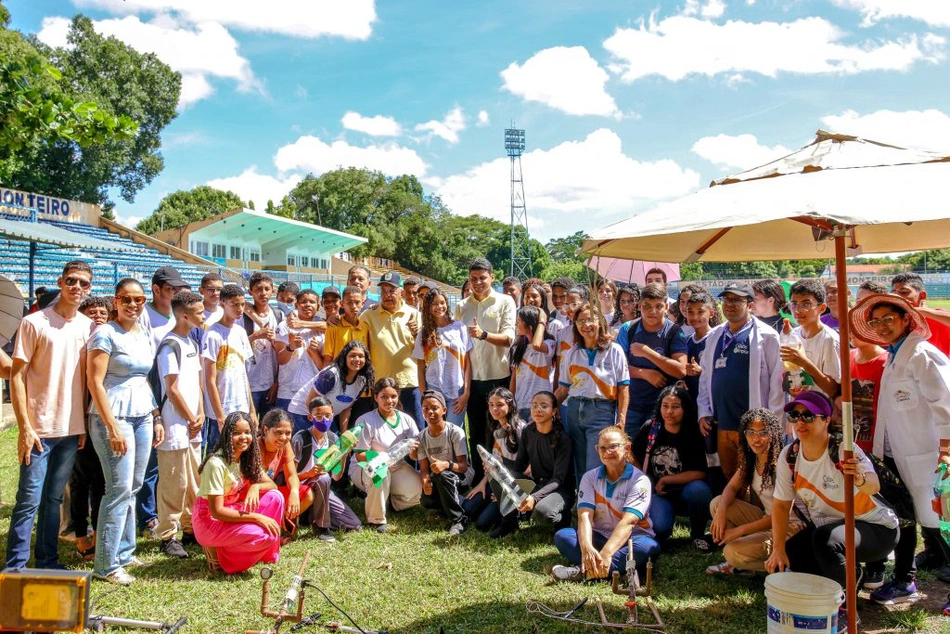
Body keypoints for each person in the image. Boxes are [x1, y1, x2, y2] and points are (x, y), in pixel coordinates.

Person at [767, 392, 899, 631]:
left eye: (808, 416)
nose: (800, 422)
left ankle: (846, 610)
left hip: (877, 528)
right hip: (832, 527)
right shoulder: (790, 455)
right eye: (795, 415)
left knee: (826, 539)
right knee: (795, 550)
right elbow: (780, 504)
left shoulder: (842, 448)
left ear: (826, 420)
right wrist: (777, 548)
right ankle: (822, 599)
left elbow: (873, 485)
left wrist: (858, 478)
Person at [850, 293, 950, 602]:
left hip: (928, 456)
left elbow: (945, 402)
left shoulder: (922, 354)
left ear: (906, 319)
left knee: (939, 525)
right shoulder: (895, 356)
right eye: (875, 322)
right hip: (897, 454)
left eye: (888, 320)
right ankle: (905, 580)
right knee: (904, 518)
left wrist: (946, 450)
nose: (881, 327)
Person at [6, 260, 94, 571]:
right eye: (72, 280)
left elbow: (85, 381)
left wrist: (82, 424)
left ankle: (47, 561)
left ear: (90, 288)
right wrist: (25, 427)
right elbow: (16, 377)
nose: (77, 288)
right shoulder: (35, 323)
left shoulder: (87, 327)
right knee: (28, 500)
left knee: (53, 500)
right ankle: (15, 566)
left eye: (84, 283)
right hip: (39, 429)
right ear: (60, 281)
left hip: (70, 430)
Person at [86, 278, 162, 585]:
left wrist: (156, 416)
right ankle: (105, 564)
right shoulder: (104, 333)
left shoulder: (143, 332)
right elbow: (95, 381)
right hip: (113, 416)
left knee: (133, 484)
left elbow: (144, 378)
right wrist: (111, 425)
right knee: (117, 490)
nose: (133, 305)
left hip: (143, 414)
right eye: (126, 299)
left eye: (139, 300)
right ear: (115, 302)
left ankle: (125, 552)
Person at [698, 282, 784, 482]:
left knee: (758, 476)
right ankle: (735, 512)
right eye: (727, 299)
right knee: (730, 476)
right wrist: (704, 411)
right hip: (723, 423)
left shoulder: (767, 335)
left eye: (737, 300)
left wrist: (772, 422)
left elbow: (777, 383)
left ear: (750, 305)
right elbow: (705, 378)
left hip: (754, 425)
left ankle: (756, 513)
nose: (730, 304)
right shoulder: (714, 336)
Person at [552, 425, 660, 582]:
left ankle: (584, 572)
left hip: (632, 539)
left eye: (613, 447)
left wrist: (607, 553)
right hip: (599, 536)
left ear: (627, 448)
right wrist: (587, 547)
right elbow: (585, 517)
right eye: (602, 448)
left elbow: (629, 522)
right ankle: (622, 571)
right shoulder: (589, 477)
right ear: (597, 450)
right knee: (563, 536)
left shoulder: (640, 480)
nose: (607, 452)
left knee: (648, 547)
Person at [707, 408, 802, 575]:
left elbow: (782, 513)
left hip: (789, 528)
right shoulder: (753, 460)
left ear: (773, 434)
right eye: (751, 432)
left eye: (763, 433)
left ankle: (787, 566)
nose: (756, 439)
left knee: (732, 552)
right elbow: (731, 487)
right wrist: (721, 512)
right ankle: (748, 561)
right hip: (767, 520)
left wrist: (740, 531)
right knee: (717, 503)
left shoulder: (781, 463)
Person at [194, 412, 283, 574]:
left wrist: (256, 487)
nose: (243, 437)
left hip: (233, 510)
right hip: (210, 522)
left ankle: (267, 555)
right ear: (227, 435)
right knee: (264, 535)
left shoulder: (246, 457)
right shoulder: (216, 464)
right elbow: (217, 511)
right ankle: (223, 556)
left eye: (247, 432)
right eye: (236, 433)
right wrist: (257, 517)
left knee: (275, 498)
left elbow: (271, 485)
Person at [455, 258, 517, 481]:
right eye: (473, 279)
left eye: (482, 278)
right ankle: (479, 479)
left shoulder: (505, 301)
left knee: (499, 431)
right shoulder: (462, 306)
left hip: (498, 378)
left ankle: (501, 480)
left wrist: (483, 334)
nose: (478, 282)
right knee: (476, 433)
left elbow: (509, 338)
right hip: (472, 380)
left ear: (492, 277)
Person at [155, 291, 206, 560]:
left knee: (193, 481)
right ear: (184, 315)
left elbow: (196, 384)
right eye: (199, 312)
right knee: (174, 481)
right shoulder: (170, 345)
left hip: (192, 424)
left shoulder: (192, 343)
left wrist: (199, 413)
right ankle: (167, 534)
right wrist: (189, 417)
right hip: (175, 424)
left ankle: (189, 528)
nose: (203, 315)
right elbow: (172, 389)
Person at [632, 384, 712, 551]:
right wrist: (645, 479)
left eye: (675, 407)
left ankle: (697, 535)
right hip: (658, 494)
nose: (669, 411)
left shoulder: (693, 433)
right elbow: (631, 454)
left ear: (685, 409)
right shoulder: (651, 427)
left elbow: (700, 473)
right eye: (665, 406)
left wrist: (666, 479)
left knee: (700, 490)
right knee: (660, 528)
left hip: (685, 492)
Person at [556, 303, 629, 478]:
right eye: (580, 321)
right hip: (574, 411)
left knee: (595, 466)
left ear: (601, 322)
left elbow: (623, 388)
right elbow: (563, 389)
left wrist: (621, 420)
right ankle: (583, 503)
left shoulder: (614, 350)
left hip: (601, 412)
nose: (586, 325)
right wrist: (546, 406)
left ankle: (598, 504)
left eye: (590, 320)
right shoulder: (572, 353)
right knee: (578, 465)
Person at [493, 391, 574, 538]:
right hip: (537, 484)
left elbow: (558, 479)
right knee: (498, 477)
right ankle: (509, 523)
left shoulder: (563, 439)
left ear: (554, 411)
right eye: (534, 405)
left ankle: (562, 519)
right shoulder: (528, 432)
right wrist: (500, 464)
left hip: (560, 490)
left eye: (544, 406)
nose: (538, 409)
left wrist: (534, 498)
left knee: (542, 513)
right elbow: (519, 466)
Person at [349, 378, 422, 532]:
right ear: (376, 397)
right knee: (380, 473)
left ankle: (391, 503)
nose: (389, 401)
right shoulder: (365, 420)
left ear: (398, 396)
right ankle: (376, 519)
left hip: (396, 465)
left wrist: (414, 449)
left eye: (393, 396)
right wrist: (381, 457)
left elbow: (415, 456)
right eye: (384, 397)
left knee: (419, 489)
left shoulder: (406, 419)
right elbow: (359, 456)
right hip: (366, 467)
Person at [69, 296, 110, 560]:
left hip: (104, 421)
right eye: (91, 311)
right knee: (80, 482)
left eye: (102, 311)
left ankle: (97, 533)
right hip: (79, 421)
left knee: (101, 482)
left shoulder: (109, 341)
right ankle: (81, 537)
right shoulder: (76, 345)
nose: (97, 315)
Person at [617, 282, 688, 433]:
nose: (652, 311)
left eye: (658, 306)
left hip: (663, 409)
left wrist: (647, 352)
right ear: (639, 305)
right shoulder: (628, 329)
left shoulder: (674, 332)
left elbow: (681, 370)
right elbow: (616, 368)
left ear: (666, 307)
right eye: (647, 306)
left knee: (659, 454)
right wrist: (645, 373)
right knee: (630, 452)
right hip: (632, 406)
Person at [292, 396, 362, 540]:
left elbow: (336, 476)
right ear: (310, 417)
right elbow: (289, 476)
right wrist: (308, 474)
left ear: (333, 415)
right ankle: (321, 527)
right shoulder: (301, 439)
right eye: (318, 416)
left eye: (328, 416)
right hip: (301, 487)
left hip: (323, 488)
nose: (324, 420)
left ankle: (309, 517)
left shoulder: (333, 439)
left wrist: (343, 453)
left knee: (353, 524)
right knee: (323, 478)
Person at [363, 272, 423, 426]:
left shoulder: (415, 315)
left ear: (401, 293)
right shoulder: (369, 315)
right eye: (383, 291)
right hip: (382, 384)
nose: (387, 295)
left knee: (415, 428)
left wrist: (417, 333)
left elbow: (427, 349)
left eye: (392, 291)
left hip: (410, 381)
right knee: (384, 429)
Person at [462, 387, 526, 531]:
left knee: (482, 524)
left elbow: (528, 468)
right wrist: (482, 483)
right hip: (495, 481)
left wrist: (506, 492)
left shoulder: (520, 429)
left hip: (513, 485)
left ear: (510, 405)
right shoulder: (494, 427)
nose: (494, 409)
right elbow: (493, 463)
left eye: (499, 404)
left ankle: (517, 514)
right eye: (491, 404)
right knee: (468, 508)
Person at [202, 284, 256, 454]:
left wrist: (252, 410)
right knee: (218, 455)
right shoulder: (212, 334)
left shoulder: (240, 332)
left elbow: (243, 375)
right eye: (234, 304)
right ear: (223, 303)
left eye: (242, 304)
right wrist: (219, 415)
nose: (240, 309)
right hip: (222, 409)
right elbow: (209, 380)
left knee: (241, 455)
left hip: (241, 407)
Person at [418, 390, 474, 535]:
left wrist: (447, 464)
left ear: (444, 410)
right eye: (425, 408)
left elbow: (463, 467)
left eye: (434, 408)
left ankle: (459, 520)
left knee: (443, 475)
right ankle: (456, 503)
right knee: (426, 501)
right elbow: (424, 469)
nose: (430, 412)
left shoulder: (455, 432)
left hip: (460, 476)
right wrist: (425, 482)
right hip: (439, 477)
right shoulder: (421, 437)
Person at [413, 288, 472, 427]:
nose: (439, 307)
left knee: (454, 431)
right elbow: (420, 367)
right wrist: (424, 396)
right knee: (436, 431)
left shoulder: (459, 327)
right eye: (434, 304)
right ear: (427, 307)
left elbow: (468, 363)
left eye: (442, 303)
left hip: (457, 389)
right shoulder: (424, 334)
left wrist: (466, 393)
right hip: (433, 388)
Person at [288, 340, 374, 434]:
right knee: (317, 446)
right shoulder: (331, 375)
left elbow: (345, 409)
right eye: (352, 355)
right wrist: (321, 428)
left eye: (361, 356)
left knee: (337, 445)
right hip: (303, 412)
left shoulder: (362, 381)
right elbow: (310, 401)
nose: (357, 359)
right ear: (344, 357)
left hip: (326, 417)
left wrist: (344, 434)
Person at [257, 409, 312, 542]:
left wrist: (293, 492)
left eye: (288, 433)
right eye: (278, 432)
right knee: (275, 497)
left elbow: (292, 475)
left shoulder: (285, 445)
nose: (283, 437)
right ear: (265, 430)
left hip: (272, 491)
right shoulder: (256, 447)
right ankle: (273, 532)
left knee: (308, 494)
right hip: (254, 494)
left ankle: (281, 525)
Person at [782, 279, 841, 400]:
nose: (798, 310)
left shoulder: (829, 339)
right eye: (794, 304)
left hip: (820, 412)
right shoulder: (793, 335)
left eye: (806, 304)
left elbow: (833, 389)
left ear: (822, 308)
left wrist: (804, 362)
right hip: (797, 409)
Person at [273, 289, 324, 415]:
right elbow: (280, 360)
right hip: (287, 393)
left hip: (313, 393)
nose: (308, 305)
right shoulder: (284, 326)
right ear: (296, 305)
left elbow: (323, 367)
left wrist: (315, 352)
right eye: (303, 302)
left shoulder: (322, 327)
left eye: (312, 302)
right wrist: (290, 347)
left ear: (318, 306)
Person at [242, 272, 281, 417]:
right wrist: (254, 336)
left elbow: (281, 352)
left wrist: (276, 382)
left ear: (272, 290)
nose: (263, 293)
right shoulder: (242, 316)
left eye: (266, 289)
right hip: (249, 384)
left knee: (268, 428)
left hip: (271, 382)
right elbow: (235, 346)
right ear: (250, 291)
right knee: (248, 426)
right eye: (258, 289)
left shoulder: (278, 316)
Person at [510, 306, 555, 422]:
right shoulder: (517, 347)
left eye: (519, 321)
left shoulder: (549, 343)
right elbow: (514, 377)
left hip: (540, 406)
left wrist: (541, 321)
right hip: (520, 404)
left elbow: (536, 345)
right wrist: (511, 399)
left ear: (530, 325)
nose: (516, 324)